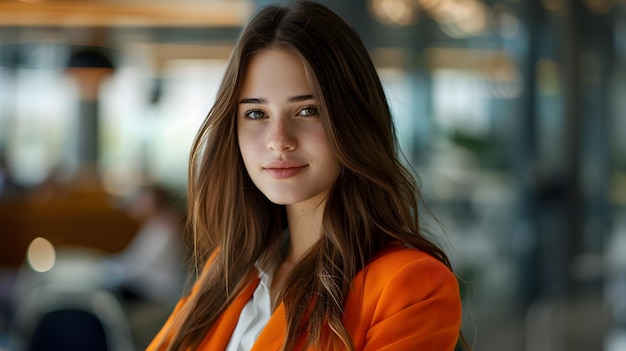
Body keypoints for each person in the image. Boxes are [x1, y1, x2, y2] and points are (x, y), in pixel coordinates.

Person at [148, 1, 466, 350]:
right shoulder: (226, 273)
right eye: (256, 113)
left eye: (307, 110)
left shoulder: (409, 285)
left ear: (353, 120)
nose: (279, 141)